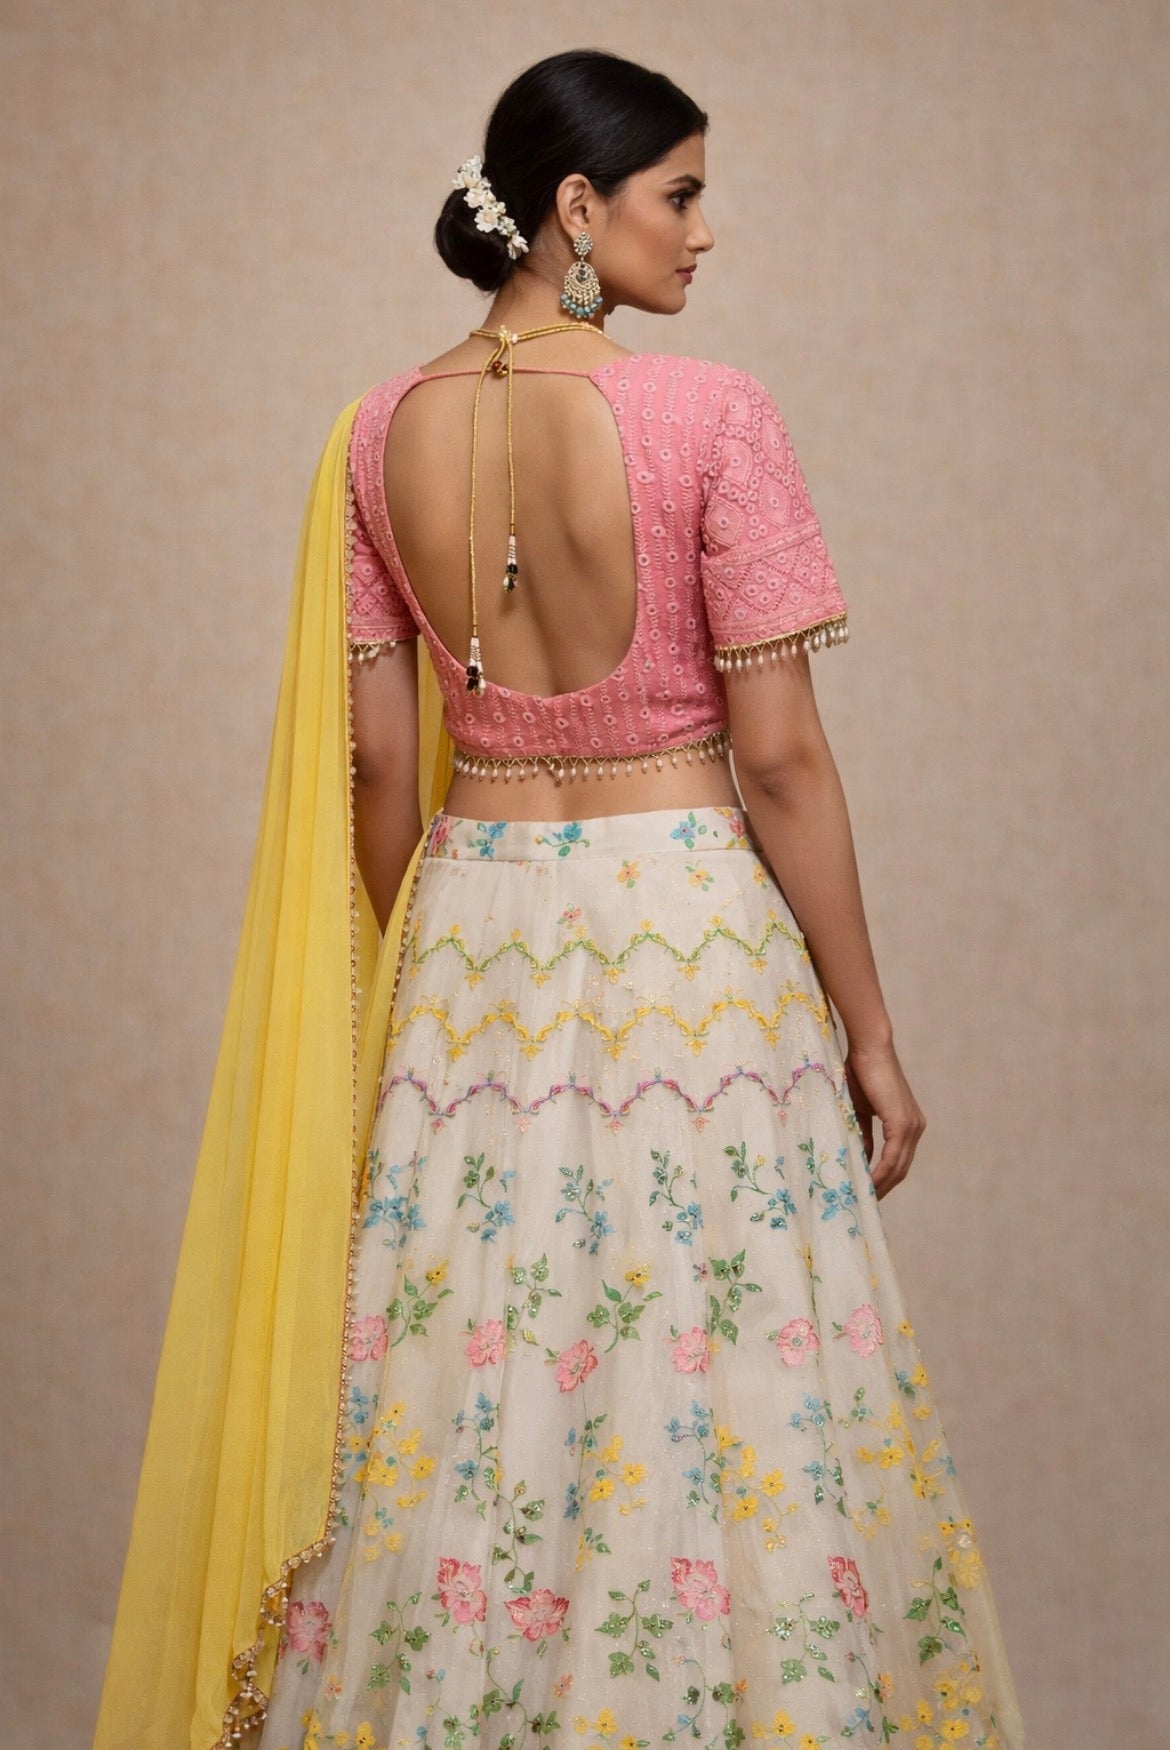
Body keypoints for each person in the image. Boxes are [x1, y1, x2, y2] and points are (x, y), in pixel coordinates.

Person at [93, 48, 1026, 1750]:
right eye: (680, 191)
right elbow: (786, 762)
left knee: (474, 1385)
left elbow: (381, 774)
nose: (706, 230)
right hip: (686, 944)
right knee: (714, 1371)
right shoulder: (711, 416)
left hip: (473, 942)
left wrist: (412, 983)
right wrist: (869, 1029)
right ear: (576, 209)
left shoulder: (374, 437)